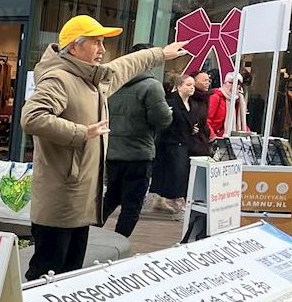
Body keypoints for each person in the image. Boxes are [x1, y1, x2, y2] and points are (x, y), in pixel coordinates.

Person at [21, 16, 187, 280]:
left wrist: (160, 54)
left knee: (68, 276)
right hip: (60, 202)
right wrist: (81, 132)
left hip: (79, 201)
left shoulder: (92, 78)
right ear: (74, 47)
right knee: (45, 274)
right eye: (95, 42)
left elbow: (126, 65)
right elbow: (32, 117)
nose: (102, 49)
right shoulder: (59, 79)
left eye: (102, 42)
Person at [102, 43, 172, 238]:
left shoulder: (112, 82)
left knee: (110, 197)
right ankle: (119, 242)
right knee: (132, 205)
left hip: (112, 151)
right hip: (138, 153)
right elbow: (162, 119)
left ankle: (89, 235)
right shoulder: (151, 86)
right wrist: (169, 114)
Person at [149, 74, 201, 214]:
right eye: (188, 85)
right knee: (175, 172)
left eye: (193, 85)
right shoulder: (171, 102)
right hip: (170, 142)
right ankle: (176, 200)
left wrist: (192, 129)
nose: (192, 88)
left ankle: (164, 199)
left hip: (184, 141)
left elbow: (191, 122)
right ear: (179, 87)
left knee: (179, 172)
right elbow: (165, 123)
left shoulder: (192, 104)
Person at [206, 71, 247, 138]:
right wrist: (213, 136)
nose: (234, 86)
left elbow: (241, 122)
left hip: (232, 137)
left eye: (238, 83)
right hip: (217, 137)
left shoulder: (238, 100)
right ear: (225, 83)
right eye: (230, 82)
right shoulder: (216, 96)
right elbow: (207, 119)